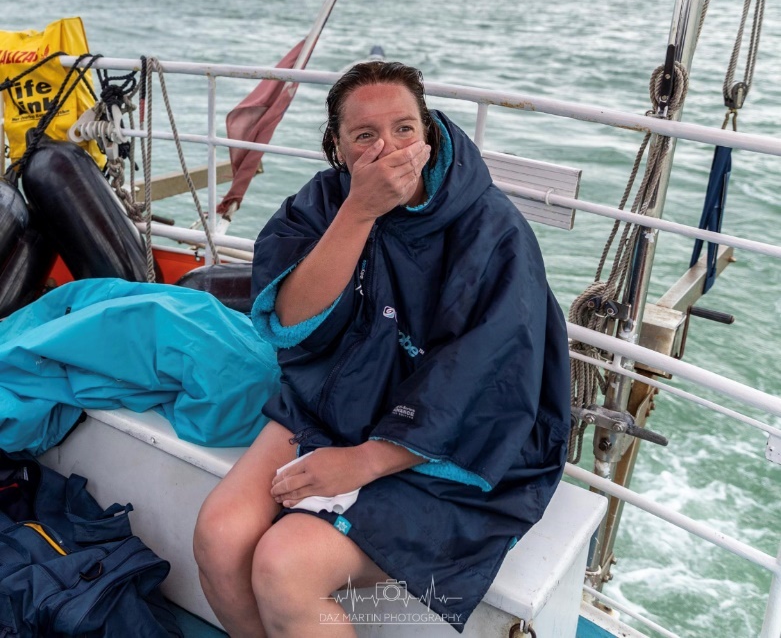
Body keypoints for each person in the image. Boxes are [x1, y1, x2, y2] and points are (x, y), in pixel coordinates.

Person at [193, 61, 570, 637]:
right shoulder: (324, 204)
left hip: (452, 445)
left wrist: (361, 462)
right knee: (219, 537)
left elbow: (487, 386)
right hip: (334, 404)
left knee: (284, 565)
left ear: (429, 134)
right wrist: (359, 211)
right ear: (338, 149)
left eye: (403, 129)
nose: (387, 147)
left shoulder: (494, 232)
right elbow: (291, 323)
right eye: (364, 135)